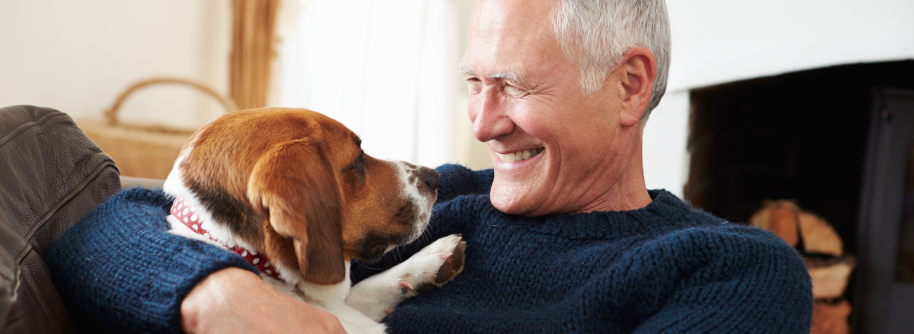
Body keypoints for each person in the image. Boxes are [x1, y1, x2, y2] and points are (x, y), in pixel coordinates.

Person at [47, 0, 813, 333]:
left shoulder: (732, 270)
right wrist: (217, 299)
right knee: (34, 143)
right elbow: (100, 232)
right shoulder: (447, 206)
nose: (482, 123)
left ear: (629, 84)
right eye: (474, 84)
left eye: (513, 85)